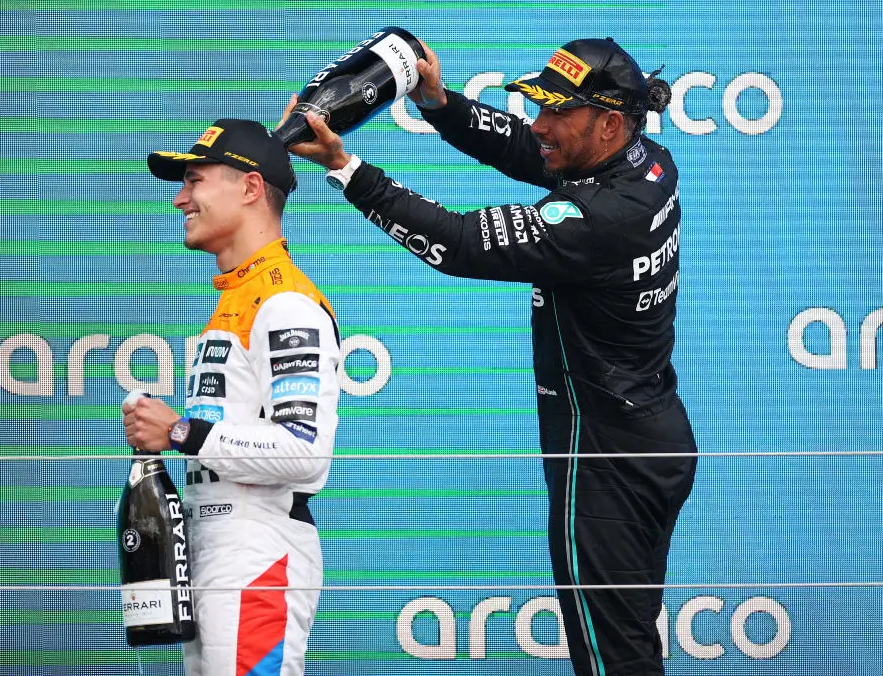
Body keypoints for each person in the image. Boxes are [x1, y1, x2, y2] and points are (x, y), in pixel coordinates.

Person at [283, 37, 697, 676]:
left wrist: (344, 168)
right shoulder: (646, 162)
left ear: (610, 122)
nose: (541, 126)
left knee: (613, 659)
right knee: (627, 647)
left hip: (604, 459)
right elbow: (531, 150)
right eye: (540, 107)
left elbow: (454, 242)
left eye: (558, 113)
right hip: (647, 434)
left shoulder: (600, 217)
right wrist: (440, 104)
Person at [122, 118, 341, 676]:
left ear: (249, 188)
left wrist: (179, 431)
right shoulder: (237, 298)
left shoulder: (286, 303)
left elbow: (303, 453)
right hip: (219, 543)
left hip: (257, 549)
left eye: (195, 180)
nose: (179, 199)